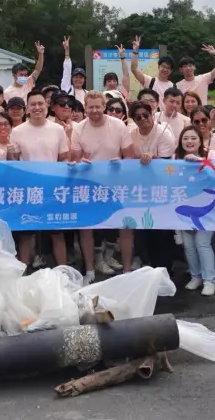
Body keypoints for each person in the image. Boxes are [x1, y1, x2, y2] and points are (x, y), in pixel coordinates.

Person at [70, 91, 131, 282]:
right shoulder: (78, 128)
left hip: (117, 183)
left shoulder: (119, 125)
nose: (94, 110)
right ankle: (89, 270)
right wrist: (80, 163)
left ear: (104, 106)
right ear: (85, 108)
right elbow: (75, 159)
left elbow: (129, 157)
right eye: (90, 107)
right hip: (89, 185)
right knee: (86, 228)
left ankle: (127, 272)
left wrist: (120, 161)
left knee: (125, 225)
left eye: (98, 106)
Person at [11, 90, 70, 265]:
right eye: (33, 104)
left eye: (40, 104)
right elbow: (14, 162)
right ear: (27, 108)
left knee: (57, 233)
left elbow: (64, 157)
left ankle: (64, 272)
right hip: (28, 190)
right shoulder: (18, 131)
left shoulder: (57, 129)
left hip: (53, 190)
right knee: (26, 235)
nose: (37, 107)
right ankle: (22, 274)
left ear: (47, 106)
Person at [175, 126, 215, 296]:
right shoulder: (175, 158)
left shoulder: (210, 154)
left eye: (193, 138)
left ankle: (210, 280)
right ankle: (196, 276)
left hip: (208, 210)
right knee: (189, 246)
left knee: (202, 243)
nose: (189, 141)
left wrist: (198, 161)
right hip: (183, 209)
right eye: (185, 138)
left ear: (200, 140)